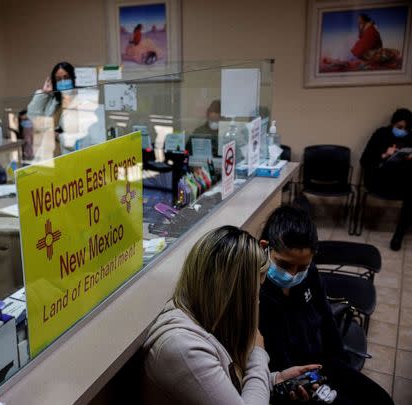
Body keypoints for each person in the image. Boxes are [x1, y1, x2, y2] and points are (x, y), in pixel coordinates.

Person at [142, 225, 320, 405]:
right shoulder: (183, 348)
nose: (257, 301)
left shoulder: (204, 317)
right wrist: (257, 354)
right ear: (235, 294)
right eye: (256, 291)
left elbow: (225, 388)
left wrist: (274, 380)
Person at [259, 205, 394, 405]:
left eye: (302, 266)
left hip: (324, 363)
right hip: (289, 382)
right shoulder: (254, 292)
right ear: (264, 248)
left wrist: (341, 364)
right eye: (285, 265)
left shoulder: (310, 274)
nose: (293, 274)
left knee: (382, 401)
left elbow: (326, 318)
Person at [360, 108, 412, 250]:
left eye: (406, 129)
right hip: (378, 180)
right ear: (393, 123)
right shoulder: (380, 135)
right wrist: (383, 155)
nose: (402, 131)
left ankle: (398, 235)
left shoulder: (410, 138)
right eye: (399, 127)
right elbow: (364, 161)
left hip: (401, 182)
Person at [27, 61, 77, 157]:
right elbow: (32, 116)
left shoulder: (80, 102)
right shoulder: (52, 100)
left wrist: (57, 136)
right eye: (58, 79)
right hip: (49, 156)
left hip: (69, 157)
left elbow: (81, 140)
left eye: (66, 77)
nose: (62, 81)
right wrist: (44, 93)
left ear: (73, 78)